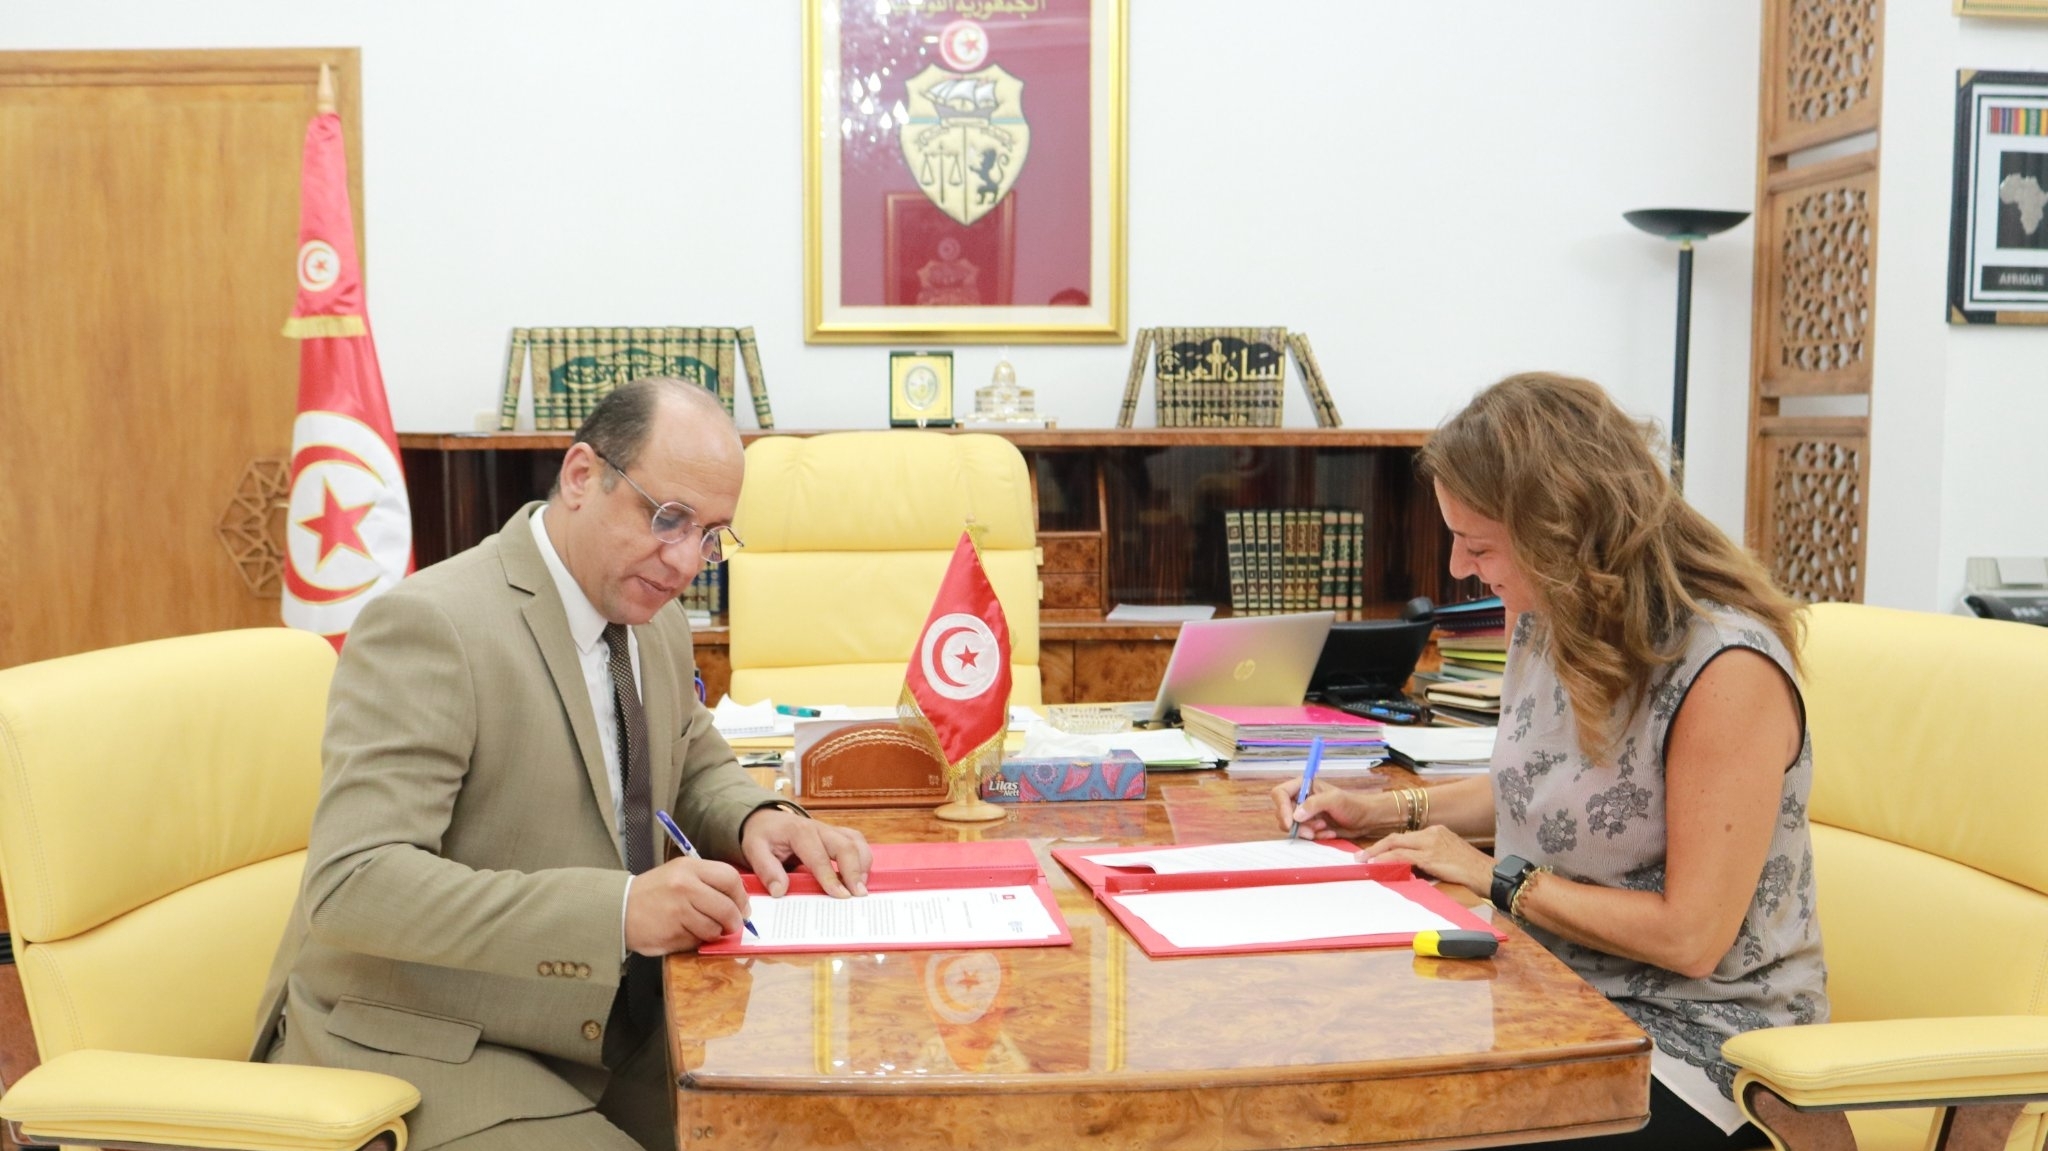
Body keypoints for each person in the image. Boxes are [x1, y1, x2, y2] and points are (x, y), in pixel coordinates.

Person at [255, 378, 874, 1151]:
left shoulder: (654, 618)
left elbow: (689, 754)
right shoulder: (433, 624)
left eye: (712, 534)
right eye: (668, 517)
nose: (687, 560)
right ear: (582, 476)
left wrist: (757, 816)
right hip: (433, 1037)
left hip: (610, 1025)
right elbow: (354, 884)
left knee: (809, 1126)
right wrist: (617, 911)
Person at [1275, 373, 1839, 1150]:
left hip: (1703, 1051)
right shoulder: (1547, 618)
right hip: (1550, 993)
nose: (1459, 566)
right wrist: (1383, 808)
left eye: (1478, 545)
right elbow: (1541, 789)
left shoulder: (1726, 669)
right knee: (1325, 1059)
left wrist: (1495, 876)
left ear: (1564, 531)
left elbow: (1690, 936)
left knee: (1402, 1125)